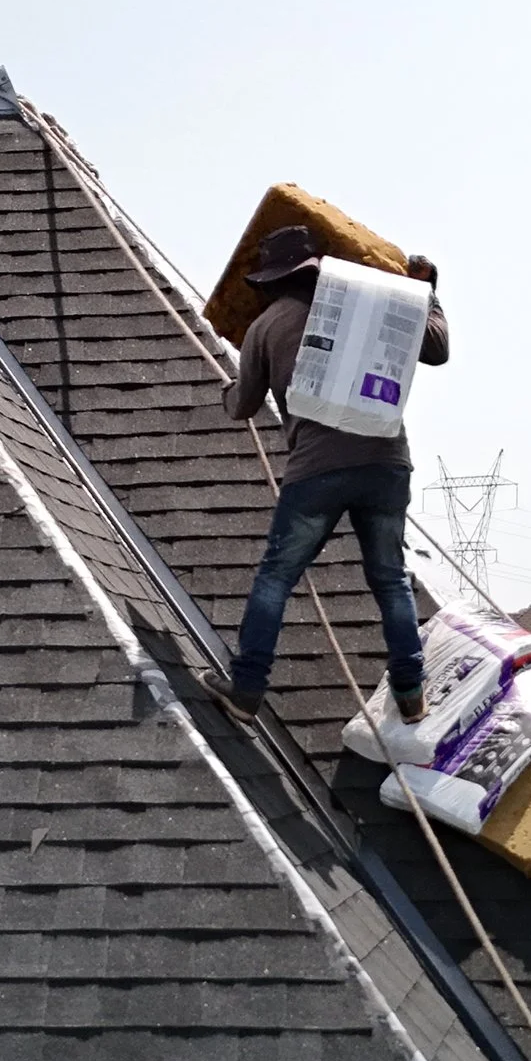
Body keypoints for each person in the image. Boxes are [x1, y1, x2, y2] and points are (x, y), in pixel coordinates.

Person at [203, 224, 450, 723]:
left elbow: (242, 405)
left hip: (317, 469)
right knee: (390, 580)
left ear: (271, 281)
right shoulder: (373, 304)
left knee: (276, 576)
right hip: (386, 464)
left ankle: (247, 688)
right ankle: (410, 694)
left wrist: (229, 388)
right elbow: (437, 349)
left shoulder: (266, 327)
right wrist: (427, 292)